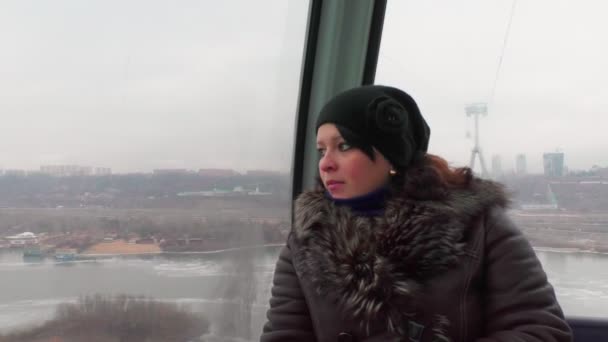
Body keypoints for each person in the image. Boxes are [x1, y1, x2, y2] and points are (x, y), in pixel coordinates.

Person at [260, 85, 572, 342]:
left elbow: (541, 330)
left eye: (343, 146)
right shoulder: (306, 240)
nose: (325, 163)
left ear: (391, 156)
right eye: (321, 149)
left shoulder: (479, 226)